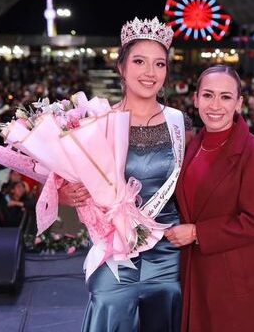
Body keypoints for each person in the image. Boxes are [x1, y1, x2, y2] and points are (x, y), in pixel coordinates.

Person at [59, 17, 190, 332]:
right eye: (140, 61)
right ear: (121, 67)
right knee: (108, 303)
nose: (150, 72)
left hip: (168, 247)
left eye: (159, 64)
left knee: (168, 308)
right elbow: (69, 185)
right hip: (116, 250)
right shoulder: (97, 122)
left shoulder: (179, 122)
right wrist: (66, 196)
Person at [166, 65, 254, 332]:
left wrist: (195, 233)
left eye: (225, 97)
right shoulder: (192, 144)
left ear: (239, 103)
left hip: (233, 280)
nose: (215, 105)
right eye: (208, 95)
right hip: (196, 271)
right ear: (196, 99)